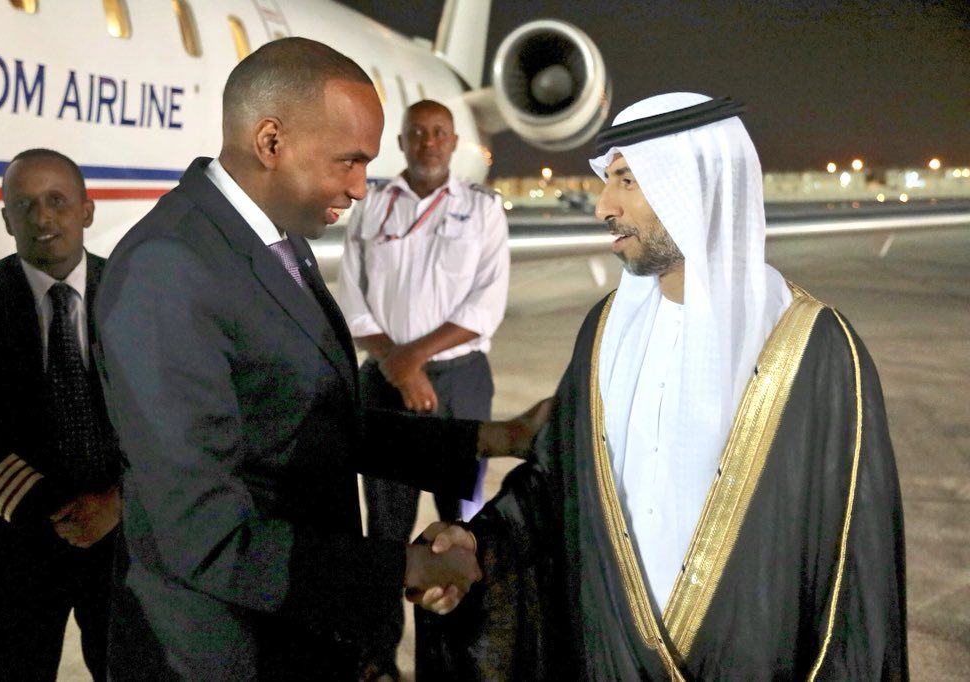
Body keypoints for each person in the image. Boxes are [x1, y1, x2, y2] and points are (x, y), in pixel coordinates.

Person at [417, 93, 908, 680]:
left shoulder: (817, 349)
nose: (603, 205)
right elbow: (554, 488)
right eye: (606, 181)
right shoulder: (604, 331)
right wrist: (481, 544)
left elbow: (857, 578)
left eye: (626, 179)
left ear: (695, 186)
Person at [95, 37, 523, 681]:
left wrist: (494, 437)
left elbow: (316, 418)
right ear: (271, 141)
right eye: (348, 161)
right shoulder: (168, 270)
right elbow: (203, 535)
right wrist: (405, 568)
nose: (359, 187)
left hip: (296, 628)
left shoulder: (274, 241)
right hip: (226, 651)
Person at [336, 99, 510, 679]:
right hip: (386, 384)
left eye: (440, 133)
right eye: (418, 134)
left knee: (462, 530)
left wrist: (414, 359)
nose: (429, 142)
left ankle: (462, 658)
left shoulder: (481, 209)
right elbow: (353, 293)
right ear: (403, 142)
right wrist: (397, 366)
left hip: (457, 384)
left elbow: (485, 303)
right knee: (385, 534)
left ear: (454, 140)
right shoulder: (372, 205)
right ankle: (377, 657)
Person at [0, 149, 123, 681]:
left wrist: (119, 502)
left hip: (125, 545)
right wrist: (52, 506)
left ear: (87, 211)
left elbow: (177, 419)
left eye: (57, 201)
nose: (42, 218)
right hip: (6, 551)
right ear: (5, 219)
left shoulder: (142, 297)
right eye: (23, 205)